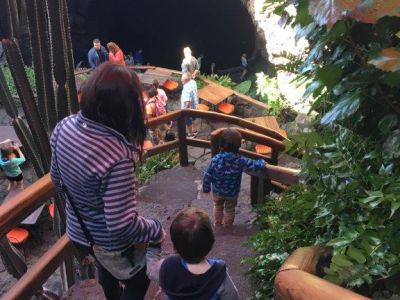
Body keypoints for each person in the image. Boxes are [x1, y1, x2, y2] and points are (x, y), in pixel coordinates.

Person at [50, 62, 164, 300]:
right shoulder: (117, 155)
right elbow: (121, 227)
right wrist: (155, 228)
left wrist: (88, 206)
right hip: (110, 242)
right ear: (126, 108)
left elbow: (57, 180)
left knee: (105, 266)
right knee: (140, 278)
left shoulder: (64, 126)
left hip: (79, 232)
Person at [146, 207, 239, 300]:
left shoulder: (166, 267)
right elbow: (233, 297)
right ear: (211, 242)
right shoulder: (219, 275)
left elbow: (151, 270)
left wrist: (154, 247)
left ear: (175, 246)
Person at [202, 129, 267, 226]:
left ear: (221, 145)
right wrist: (262, 162)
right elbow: (254, 165)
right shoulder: (240, 160)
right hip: (232, 192)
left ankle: (218, 223)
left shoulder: (215, 159)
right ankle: (228, 226)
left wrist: (206, 188)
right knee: (230, 209)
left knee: (218, 206)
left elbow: (207, 175)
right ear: (238, 146)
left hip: (217, 191)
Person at [180, 72, 198, 138]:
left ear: (187, 80)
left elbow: (187, 102)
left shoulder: (186, 89)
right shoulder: (193, 82)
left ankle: (191, 134)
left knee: (188, 121)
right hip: (194, 105)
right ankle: (195, 130)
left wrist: (186, 111)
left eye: (182, 79)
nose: (181, 80)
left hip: (188, 109)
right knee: (194, 118)